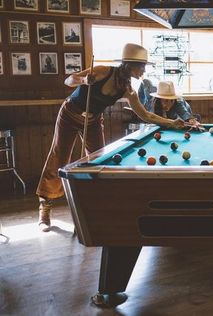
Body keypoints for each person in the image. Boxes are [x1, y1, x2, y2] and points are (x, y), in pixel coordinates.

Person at [36, 43, 187, 232]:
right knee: (59, 156)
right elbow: (68, 80)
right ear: (130, 65)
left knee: (98, 159)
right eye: (142, 66)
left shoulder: (127, 88)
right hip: (69, 114)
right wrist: (83, 81)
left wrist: (172, 123)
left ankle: (93, 206)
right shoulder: (102, 71)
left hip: (92, 120)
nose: (144, 70)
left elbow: (145, 115)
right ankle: (45, 207)